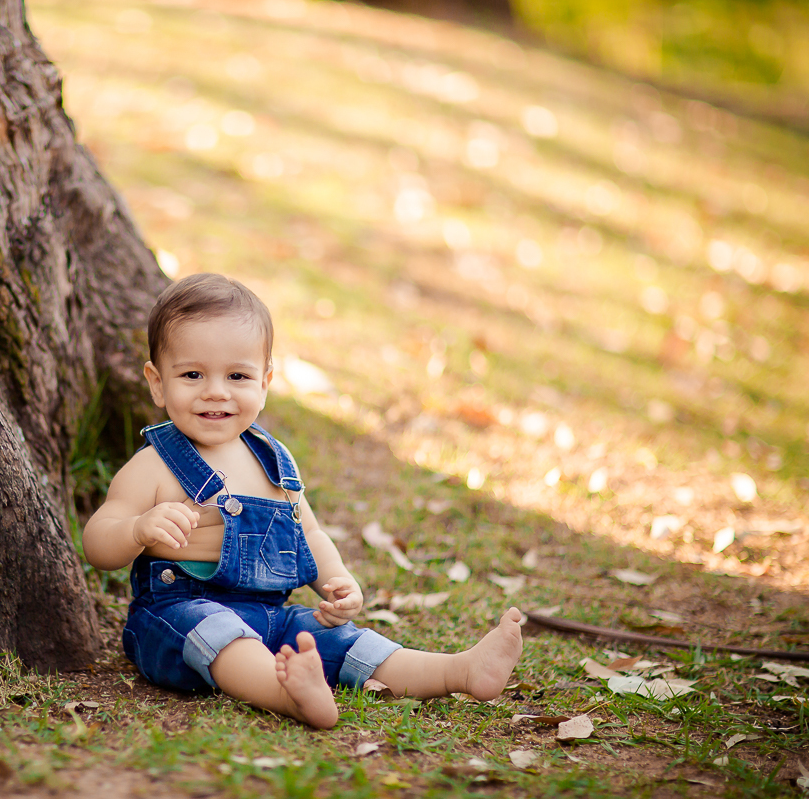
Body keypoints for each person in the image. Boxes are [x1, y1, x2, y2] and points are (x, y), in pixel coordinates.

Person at [83, 273, 522, 729]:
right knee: (223, 635)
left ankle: (458, 671)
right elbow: (97, 542)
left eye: (237, 376)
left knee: (340, 639)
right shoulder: (154, 466)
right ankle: (287, 695)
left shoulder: (275, 463)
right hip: (177, 616)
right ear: (157, 383)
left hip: (272, 617)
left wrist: (336, 581)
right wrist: (137, 529)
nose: (216, 390)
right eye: (192, 375)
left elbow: (306, 532)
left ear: (265, 382)